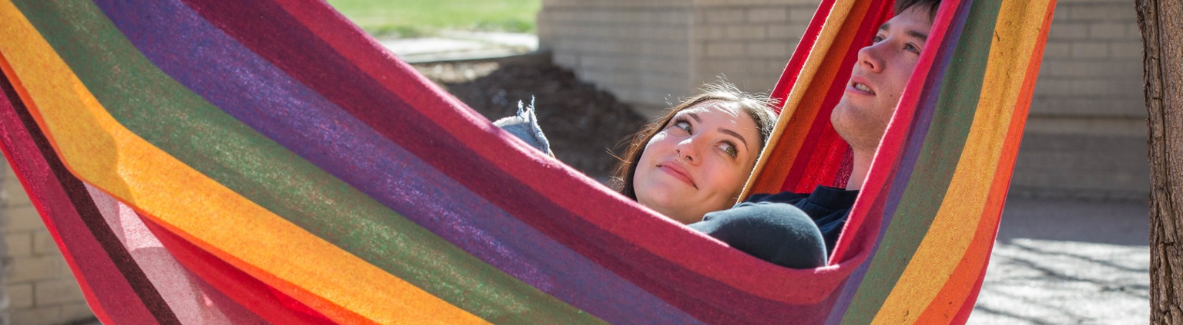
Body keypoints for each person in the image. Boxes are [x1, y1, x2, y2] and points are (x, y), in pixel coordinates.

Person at [686, 0, 941, 268]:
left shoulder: (907, 251)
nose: (867, 52)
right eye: (879, 37)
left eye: (911, 47)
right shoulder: (769, 208)